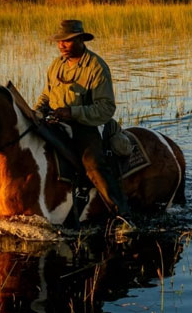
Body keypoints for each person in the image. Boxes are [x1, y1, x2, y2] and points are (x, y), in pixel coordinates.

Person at [34, 19, 132, 218]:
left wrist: (73, 113)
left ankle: (122, 215)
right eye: (59, 41)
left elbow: (106, 108)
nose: (61, 45)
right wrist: (36, 112)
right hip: (56, 123)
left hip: (87, 127)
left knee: (94, 165)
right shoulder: (56, 65)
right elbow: (47, 95)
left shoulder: (96, 67)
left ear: (80, 40)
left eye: (67, 41)